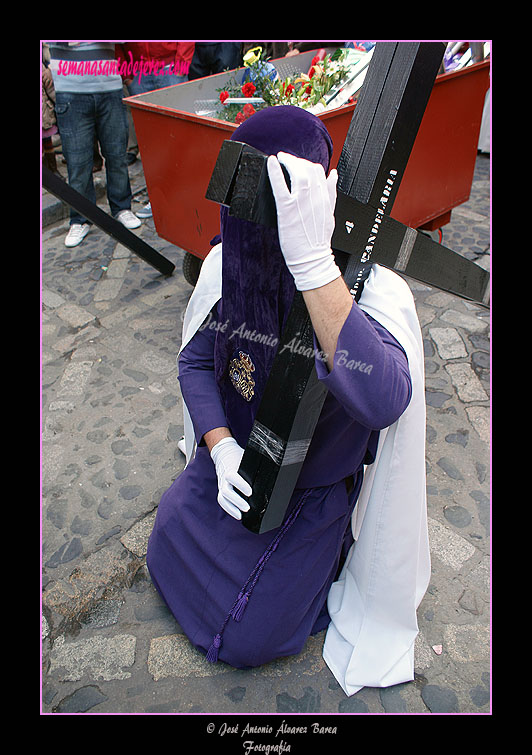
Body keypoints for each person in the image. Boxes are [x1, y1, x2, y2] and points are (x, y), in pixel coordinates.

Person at [146, 105, 429, 696]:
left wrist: (312, 265)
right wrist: (219, 447)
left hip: (309, 489)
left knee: (248, 631)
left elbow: (383, 401)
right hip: (242, 463)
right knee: (166, 544)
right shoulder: (236, 264)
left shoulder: (370, 291)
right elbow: (197, 360)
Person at [49, 42, 141, 248]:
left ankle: (122, 208)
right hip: (69, 88)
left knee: (117, 155)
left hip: (109, 87)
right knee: (77, 162)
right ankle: (80, 218)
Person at [116, 42, 195, 219]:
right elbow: (116, 46)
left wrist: (181, 64)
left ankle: (186, 195)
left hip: (170, 68)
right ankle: (158, 199)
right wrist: (127, 74)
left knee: (179, 135)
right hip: (139, 72)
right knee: (150, 142)